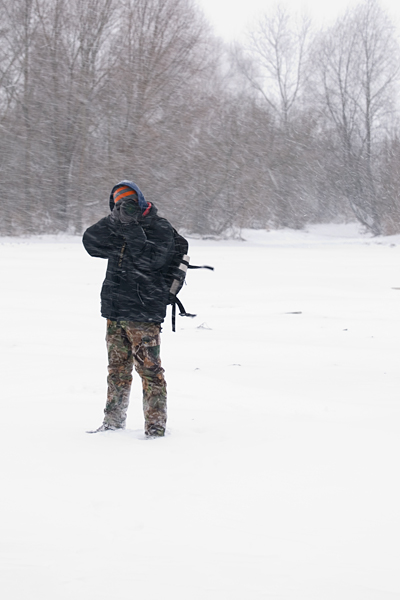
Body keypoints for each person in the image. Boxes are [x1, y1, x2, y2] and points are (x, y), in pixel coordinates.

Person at [82, 180, 175, 437]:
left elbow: (152, 261)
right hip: (115, 311)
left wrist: (133, 228)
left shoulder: (159, 227)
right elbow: (90, 243)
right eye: (118, 203)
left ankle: (155, 430)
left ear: (141, 201)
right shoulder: (117, 226)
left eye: (129, 202)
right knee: (117, 371)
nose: (125, 207)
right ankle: (112, 424)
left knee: (150, 372)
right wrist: (113, 220)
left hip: (144, 313)